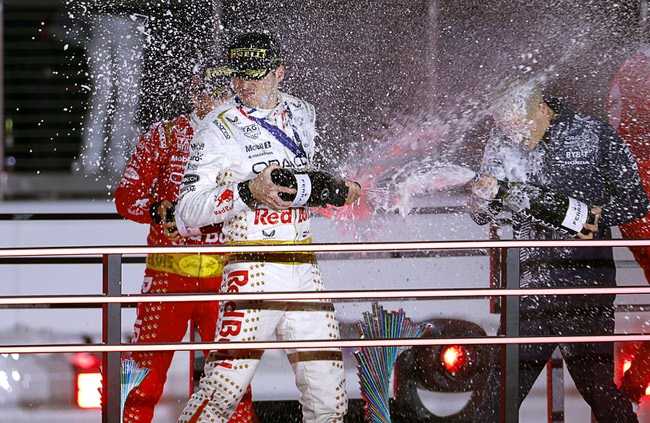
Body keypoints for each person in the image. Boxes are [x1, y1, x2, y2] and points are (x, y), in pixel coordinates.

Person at [174, 31, 361, 423]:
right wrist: (246, 191)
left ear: (279, 73)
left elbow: (306, 172)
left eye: (256, 75)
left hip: (305, 268)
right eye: (239, 76)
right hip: (253, 269)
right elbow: (186, 212)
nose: (245, 85)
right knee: (222, 391)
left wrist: (336, 187)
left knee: (331, 397)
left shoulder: (303, 112)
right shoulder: (217, 128)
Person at [468, 78, 648, 422]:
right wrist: (485, 196)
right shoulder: (502, 143)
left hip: (585, 289)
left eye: (519, 127)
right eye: (506, 129)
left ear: (541, 109)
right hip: (529, 292)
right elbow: (479, 215)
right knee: (498, 397)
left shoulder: (593, 134)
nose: (515, 137)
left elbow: (636, 201)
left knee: (599, 391)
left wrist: (598, 216)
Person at [114, 56, 256, 423]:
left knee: (232, 385)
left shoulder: (248, 138)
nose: (219, 102)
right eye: (211, 93)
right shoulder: (163, 136)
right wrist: (158, 210)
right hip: (167, 279)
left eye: (227, 94)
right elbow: (126, 197)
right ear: (195, 94)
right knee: (142, 381)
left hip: (225, 282)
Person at [607, 47, 650, 406]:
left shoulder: (632, 65)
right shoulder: (640, 69)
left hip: (633, 196)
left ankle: (628, 395)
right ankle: (628, 396)